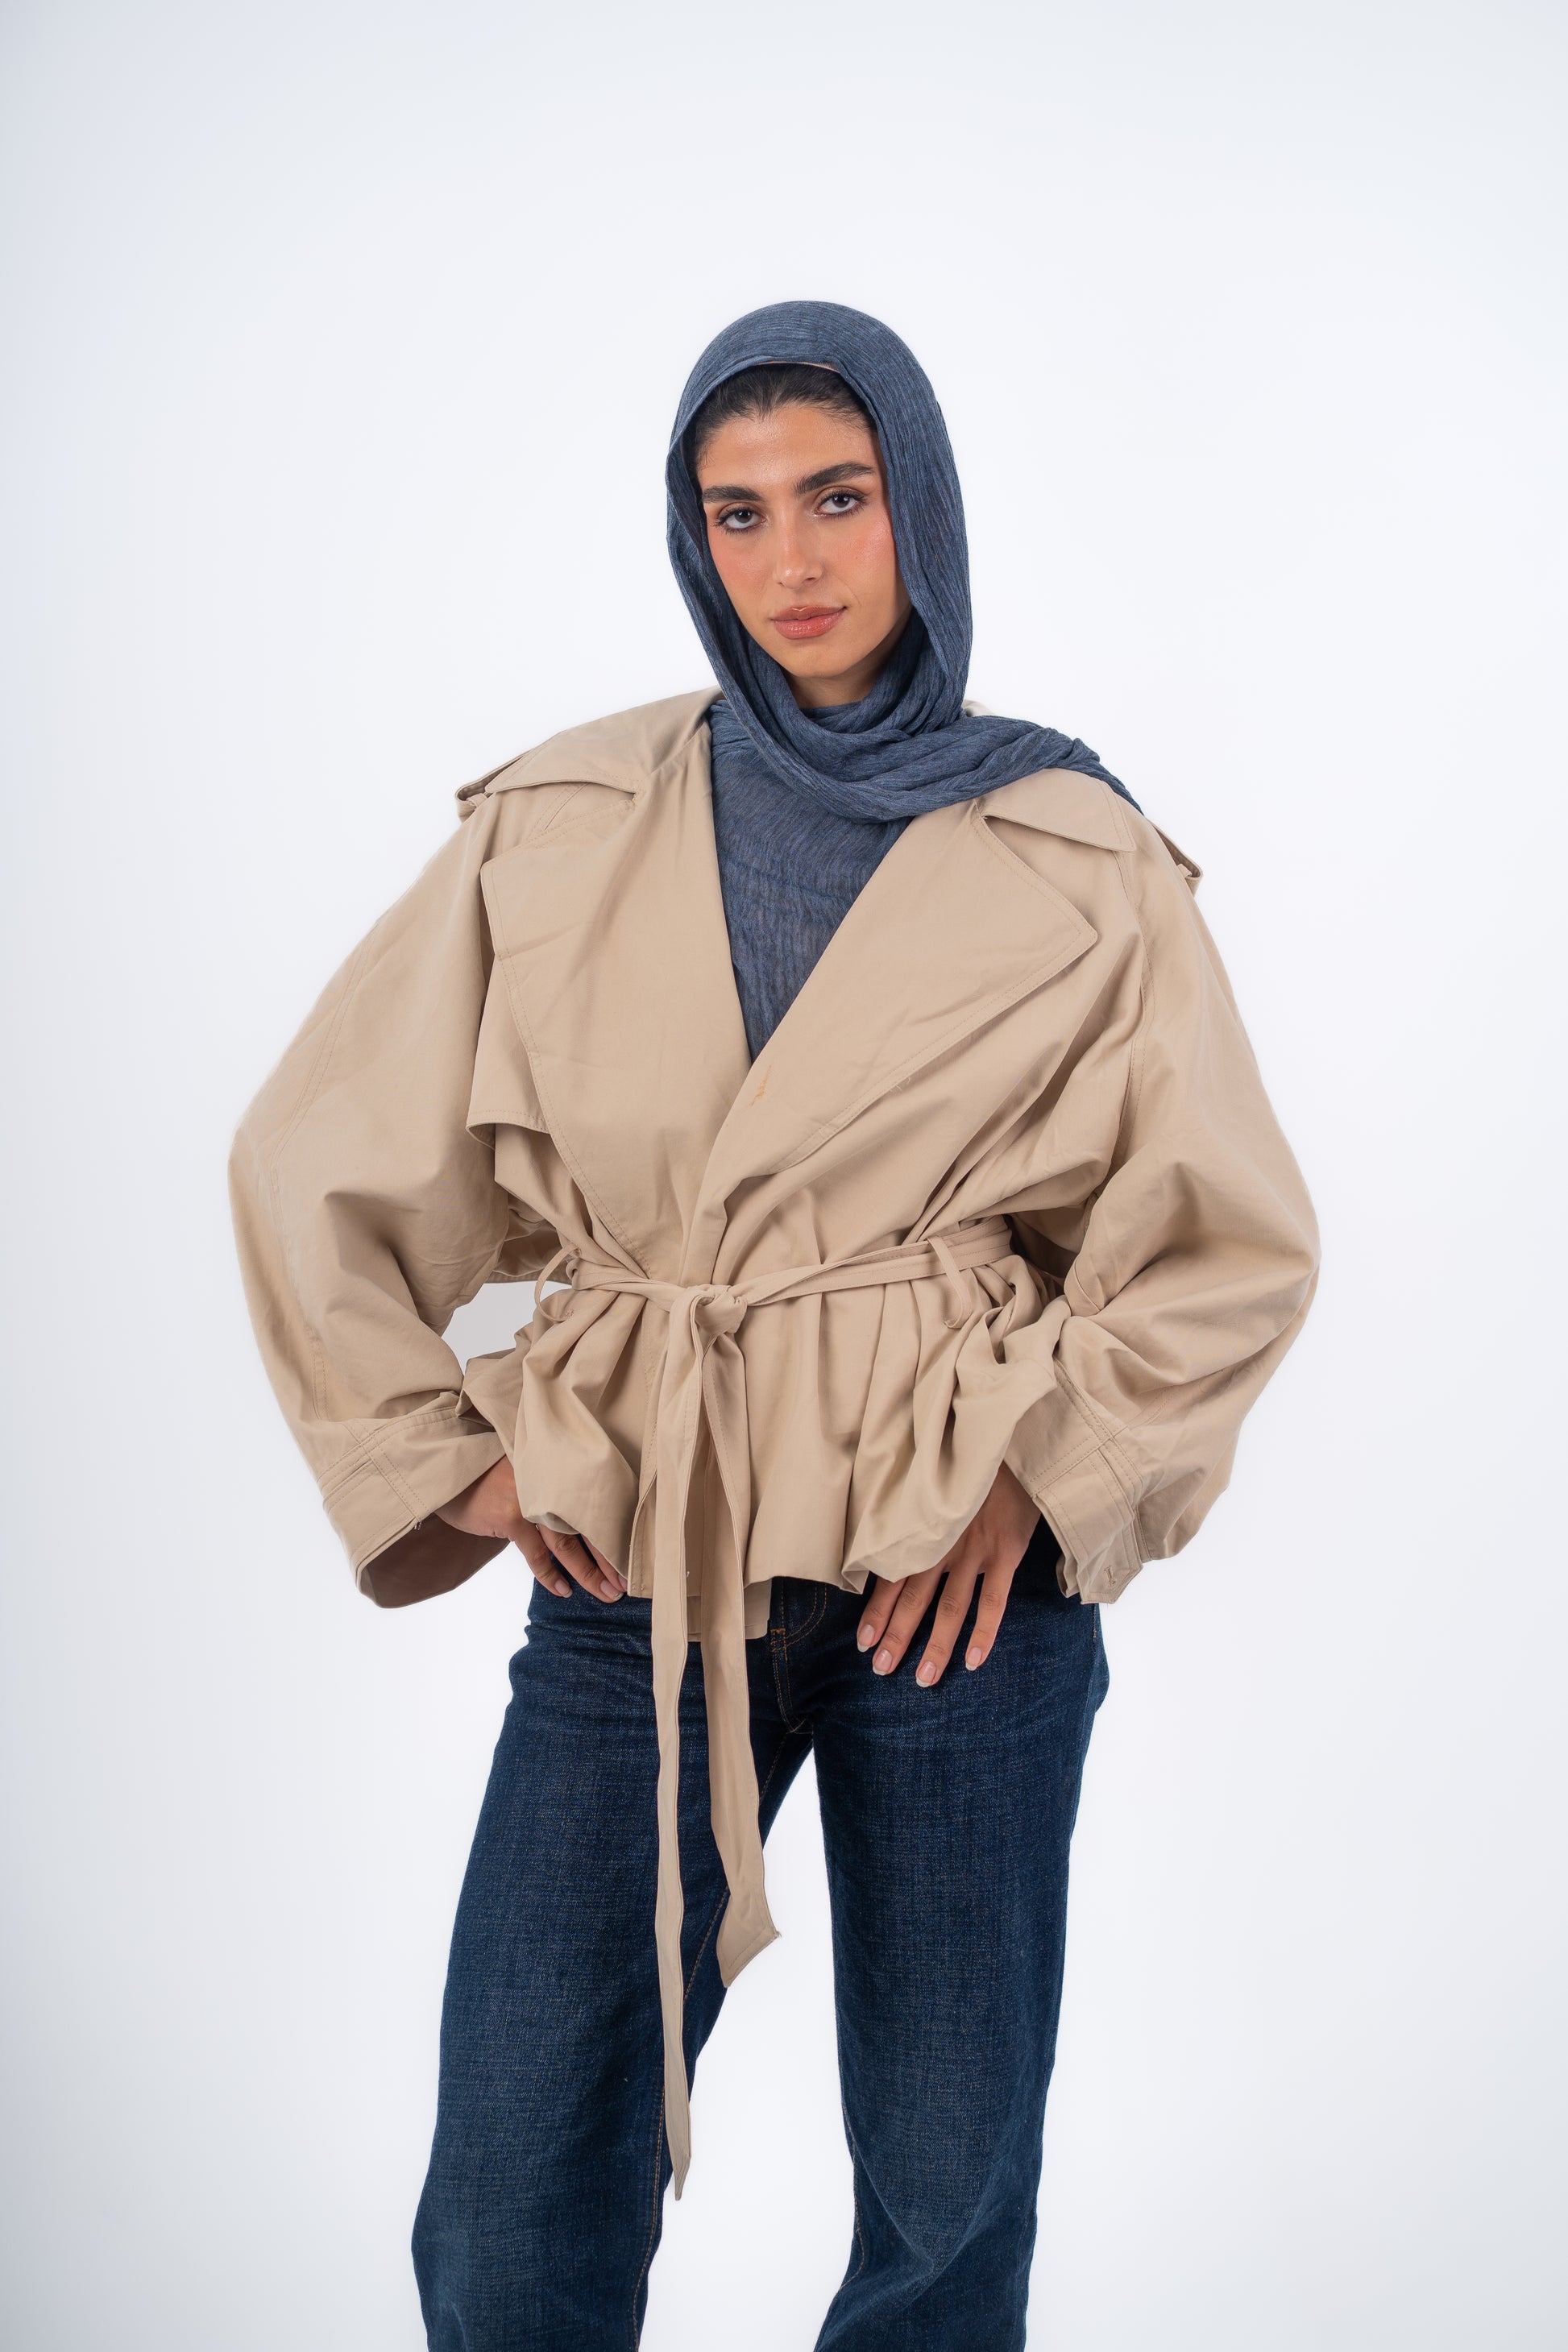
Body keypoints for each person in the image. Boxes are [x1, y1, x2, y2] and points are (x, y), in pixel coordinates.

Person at [230, 301, 1318, 2350]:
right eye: (735, 513)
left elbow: (1219, 1234)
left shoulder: (1079, 850)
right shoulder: (562, 820)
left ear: (922, 506)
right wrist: (448, 1457)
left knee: (944, 2191)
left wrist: (1042, 1475)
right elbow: (319, 1151)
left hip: (953, 1568)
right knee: (513, 2172)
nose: (792, 559)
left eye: (838, 496)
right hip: (644, 1544)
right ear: (689, 536)